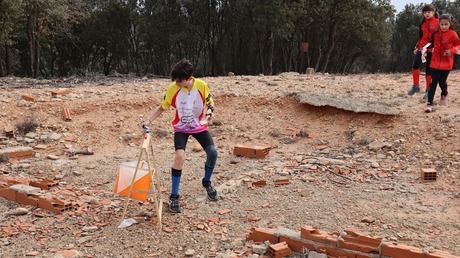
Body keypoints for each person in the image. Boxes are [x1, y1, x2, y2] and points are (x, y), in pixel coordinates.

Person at [141, 59, 218, 213]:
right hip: (181, 128)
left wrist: (208, 116)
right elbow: (162, 107)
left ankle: (207, 182)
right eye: (175, 80)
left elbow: (211, 103)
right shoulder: (173, 89)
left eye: (179, 80)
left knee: (213, 152)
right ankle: (174, 196)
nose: (176, 82)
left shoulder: (201, 86)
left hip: (199, 127)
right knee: (180, 157)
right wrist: (148, 120)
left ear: (189, 78)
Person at [425, 14, 460, 113]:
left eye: (446, 24)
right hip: (435, 63)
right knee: (433, 82)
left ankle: (444, 93)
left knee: (442, 82)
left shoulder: (453, 34)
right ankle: (429, 103)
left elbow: (458, 45)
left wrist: (451, 51)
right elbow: (429, 44)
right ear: (439, 24)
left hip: (447, 63)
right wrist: (421, 49)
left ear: (450, 24)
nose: (444, 26)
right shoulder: (435, 34)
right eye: (442, 24)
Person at [408, 4, 439, 98]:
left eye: (429, 12)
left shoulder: (438, 23)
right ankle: (416, 86)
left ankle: (428, 91)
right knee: (415, 66)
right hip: (421, 49)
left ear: (433, 12)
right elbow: (421, 37)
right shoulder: (422, 24)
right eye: (425, 12)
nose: (427, 14)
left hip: (432, 50)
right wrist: (417, 46)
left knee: (428, 71)